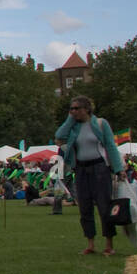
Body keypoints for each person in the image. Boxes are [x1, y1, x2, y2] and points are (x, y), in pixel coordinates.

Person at [56, 94, 124, 256]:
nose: (73, 111)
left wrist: (118, 168)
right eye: (71, 109)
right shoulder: (73, 127)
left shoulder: (101, 124)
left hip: (99, 168)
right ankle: (90, 243)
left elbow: (110, 146)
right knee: (84, 207)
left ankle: (109, 244)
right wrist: (70, 120)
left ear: (86, 109)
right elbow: (59, 136)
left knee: (104, 206)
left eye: (76, 108)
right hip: (81, 169)